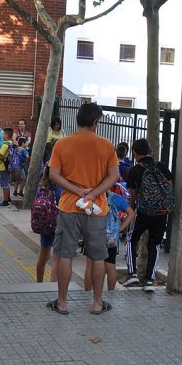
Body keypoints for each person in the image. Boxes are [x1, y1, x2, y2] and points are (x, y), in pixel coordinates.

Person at [46, 102, 119, 315]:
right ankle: (97, 303)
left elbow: (54, 175)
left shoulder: (62, 144)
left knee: (65, 254)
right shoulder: (106, 145)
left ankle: (62, 303)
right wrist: (93, 193)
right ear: (96, 122)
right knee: (97, 257)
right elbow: (113, 175)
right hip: (96, 208)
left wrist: (78, 192)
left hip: (69, 206)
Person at [122, 138, 174, 291]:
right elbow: (169, 187)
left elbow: (133, 194)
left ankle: (132, 274)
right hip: (161, 212)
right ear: (151, 151)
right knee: (155, 244)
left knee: (131, 238)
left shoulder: (135, 170)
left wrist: (131, 212)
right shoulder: (163, 167)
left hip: (143, 212)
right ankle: (149, 280)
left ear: (135, 153)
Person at [83, 191, 135, 292]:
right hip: (111, 237)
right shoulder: (117, 198)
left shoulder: (91, 197)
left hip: (93, 235)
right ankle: (111, 293)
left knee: (90, 265)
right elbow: (131, 214)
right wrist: (119, 229)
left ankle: (88, 292)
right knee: (110, 266)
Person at [33, 166, 60, 283]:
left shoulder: (41, 190)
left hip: (44, 225)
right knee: (56, 257)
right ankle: (53, 284)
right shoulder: (60, 190)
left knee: (43, 255)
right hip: (57, 225)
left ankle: (39, 283)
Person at [0, 128, 15, 207]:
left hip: (3, 167)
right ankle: (8, 198)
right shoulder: (12, 144)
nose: (2, 135)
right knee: (7, 182)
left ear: (6, 135)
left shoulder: (5, 145)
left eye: (3, 134)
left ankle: (5, 201)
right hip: (9, 166)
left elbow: (1, 156)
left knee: (4, 184)